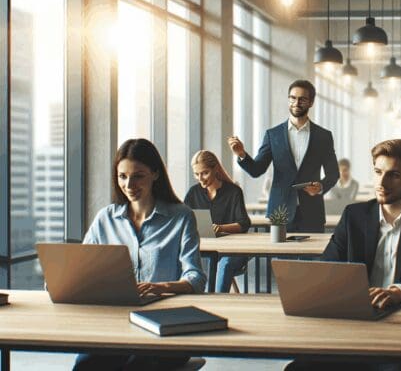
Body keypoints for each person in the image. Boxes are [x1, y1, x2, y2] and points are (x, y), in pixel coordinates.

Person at [287, 140, 401, 371]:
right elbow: (328, 264)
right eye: (378, 172)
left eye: (393, 175)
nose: (382, 183)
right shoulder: (354, 215)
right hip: (355, 326)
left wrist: (398, 292)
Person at [74, 138, 206, 371]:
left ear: (155, 174)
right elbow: (81, 269)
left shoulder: (181, 217)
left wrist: (162, 287)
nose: (129, 184)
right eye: (122, 176)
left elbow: (195, 278)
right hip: (114, 324)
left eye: (138, 176)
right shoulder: (105, 219)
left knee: (136, 366)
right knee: (86, 366)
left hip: (166, 326)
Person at [228, 80, 340, 232]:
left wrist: (321, 186)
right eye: (293, 98)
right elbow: (256, 170)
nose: (296, 102)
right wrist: (241, 154)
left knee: (312, 255)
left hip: (312, 212)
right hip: (280, 211)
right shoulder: (273, 135)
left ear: (311, 102)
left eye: (302, 99)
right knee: (279, 256)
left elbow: (333, 174)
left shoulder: (323, 136)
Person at [183, 150, 250, 293]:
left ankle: (217, 302)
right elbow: (183, 220)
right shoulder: (193, 192)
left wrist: (221, 228)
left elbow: (244, 224)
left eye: (205, 173)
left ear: (215, 169)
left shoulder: (234, 191)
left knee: (224, 263)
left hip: (232, 250)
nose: (200, 178)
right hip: (204, 248)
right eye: (196, 174)